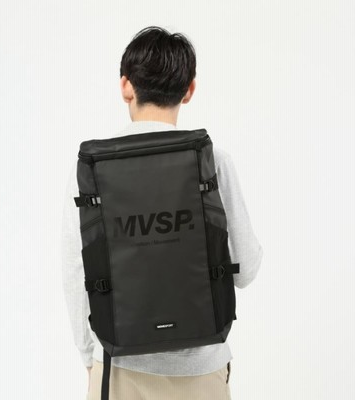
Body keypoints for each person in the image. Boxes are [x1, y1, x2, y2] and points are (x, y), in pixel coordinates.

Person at [61, 25, 263, 400]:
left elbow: (76, 274)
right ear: (189, 90)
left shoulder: (92, 170)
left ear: (126, 86)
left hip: (118, 367)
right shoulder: (213, 161)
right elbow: (245, 269)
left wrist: (91, 361)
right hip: (202, 372)